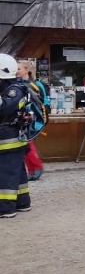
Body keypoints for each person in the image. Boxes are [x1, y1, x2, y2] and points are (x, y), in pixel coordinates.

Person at [0, 55, 31, 218]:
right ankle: (22, 202)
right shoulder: (11, 88)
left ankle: (5, 208)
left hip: (8, 139)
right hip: (12, 137)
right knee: (16, 172)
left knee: (5, 173)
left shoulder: (14, 90)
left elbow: (3, 109)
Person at [16, 60, 47, 180]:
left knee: (27, 143)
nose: (17, 71)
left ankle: (36, 167)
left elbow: (44, 102)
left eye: (19, 69)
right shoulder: (16, 84)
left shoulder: (36, 84)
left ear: (27, 70)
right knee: (25, 143)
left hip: (33, 118)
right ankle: (33, 169)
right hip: (21, 117)